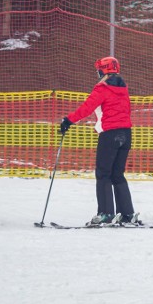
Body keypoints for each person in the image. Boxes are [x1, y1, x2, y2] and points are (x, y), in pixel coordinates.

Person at [59, 56, 137, 226]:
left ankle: (106, 213)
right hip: (126, 134)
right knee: (117, 174)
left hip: (110, 134)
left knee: (103, 174)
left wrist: (68, 120)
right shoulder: (123, 88)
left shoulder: (102, 88)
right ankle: (127, 214)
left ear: (103, 70)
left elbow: (87, 108)